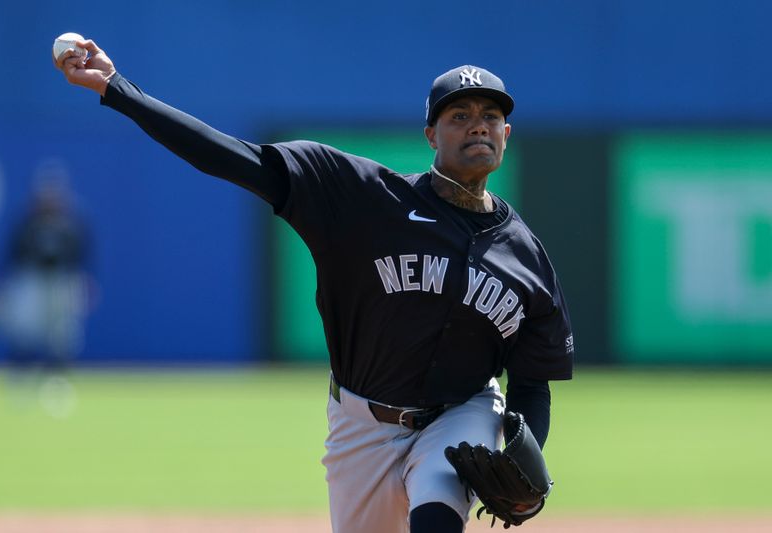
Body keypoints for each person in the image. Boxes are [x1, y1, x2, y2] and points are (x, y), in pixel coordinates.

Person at [54, 39, 574, 533]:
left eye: (490, 116)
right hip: (361, 425)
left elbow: (531, 382)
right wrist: (118, 90)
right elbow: (232, 157)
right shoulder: (363, 199)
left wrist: (525, 457)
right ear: (431, 135)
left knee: (438, 508)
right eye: (459, 116)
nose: (477, 126)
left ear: (506, 133)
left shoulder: (526, 256)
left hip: (461, 414)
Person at [0, 164, 94, 415]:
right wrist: (2, 282)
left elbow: (83, 253)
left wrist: (86, 279)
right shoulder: (28, 221)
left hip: (62, 279)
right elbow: (11, 252)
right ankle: (19, 378)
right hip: (30, 279)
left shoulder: (71, 222)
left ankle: (57, 384)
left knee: (62, 335)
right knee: (25, 330)